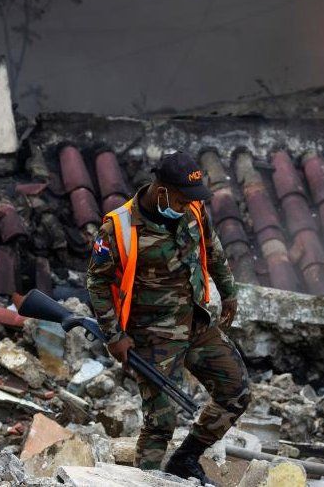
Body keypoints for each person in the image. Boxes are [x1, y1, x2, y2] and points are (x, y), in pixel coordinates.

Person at [86, 150, 250, 484]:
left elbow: (213, 247)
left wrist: (228, 290)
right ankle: (144, 481)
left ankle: (184, 460)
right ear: (161, 191)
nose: (188, 204)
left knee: (236, 392)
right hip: (151, 337)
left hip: (196, 324)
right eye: (181, 198)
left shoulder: (193, 207)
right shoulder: (118, 227)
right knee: (161, 423)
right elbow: (97, 282)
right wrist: (114, 336)